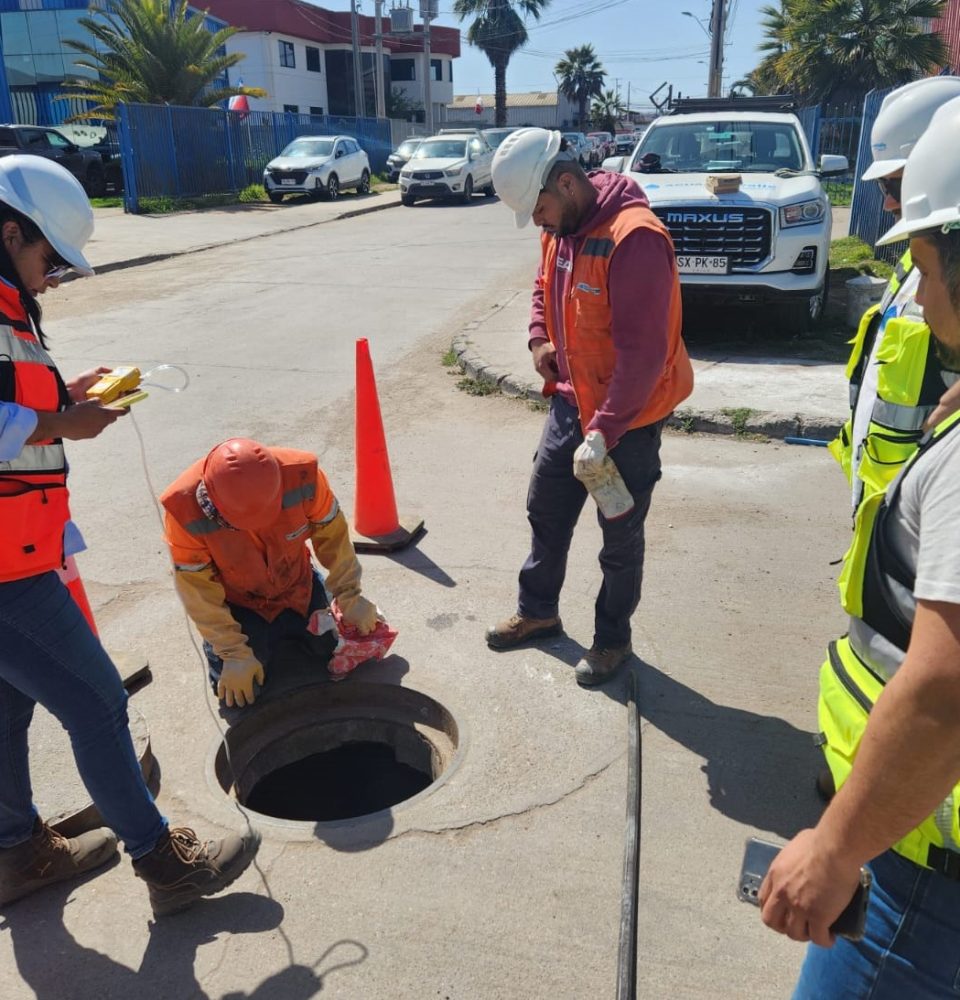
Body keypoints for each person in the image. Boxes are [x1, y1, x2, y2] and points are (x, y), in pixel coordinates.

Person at [0, 156, 259, 916]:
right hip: (6, 572)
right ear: (10, 232)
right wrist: (61, 422)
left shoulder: (12, 309)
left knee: (7, 707)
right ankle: (164, 863)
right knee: (98, 701)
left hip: (19, 548)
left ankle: (16, 854)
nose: (52, 279)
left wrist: (69, 397)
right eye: (48, 260)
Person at [759, 96, 960, 997]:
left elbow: (947, 686)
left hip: (924, 875)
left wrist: (837, 848)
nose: (915, 289)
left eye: (921, 259)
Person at [483, 128, 693, 685]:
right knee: (545, 512)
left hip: (628, 425)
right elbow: (540, 287)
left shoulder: (634, 239)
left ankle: (611, 642)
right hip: (573, 406)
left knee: (619, 539)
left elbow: (645, 356)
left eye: (540, 209)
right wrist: (538, 340)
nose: (538, 222)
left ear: (568, 182)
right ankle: (539, 612)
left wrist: (603, 432)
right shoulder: (564, 227)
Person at [161, 438, 379, 707]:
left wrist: (349, 597)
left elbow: (333, 537)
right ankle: (247, 648)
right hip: (239, 604)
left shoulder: (302, 476)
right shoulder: (184, 511)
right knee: (240, 693)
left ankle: (298, 625)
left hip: (299, 587)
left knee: (341, 648)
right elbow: (197, 592)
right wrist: (232, 651)